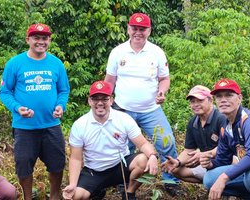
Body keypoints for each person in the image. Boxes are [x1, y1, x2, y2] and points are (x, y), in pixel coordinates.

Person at [104, 13, 185, 196]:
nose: (138, 32)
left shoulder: (156, 52)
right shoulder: (118, 52)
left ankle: (170, 181)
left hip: (151, 110)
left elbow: (164, 79)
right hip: (123, 109)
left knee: (167, 143)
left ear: (149, 30)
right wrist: (108, 99)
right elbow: (110, 80)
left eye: (142, 29)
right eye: (134, 28)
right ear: (128, 29)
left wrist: (162, 91)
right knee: (124, 149)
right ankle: (122, 184)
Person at [0, 23, 70, 200]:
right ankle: (28, 198)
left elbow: (63, 90)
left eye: (44, 38)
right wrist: (17, 108)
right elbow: (5, 92)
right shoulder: (15, 63)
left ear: (49, 40)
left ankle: (54, 197)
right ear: (28, 40)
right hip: (24, 127)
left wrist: (61, 106)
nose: (40, 42)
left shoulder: (56, 63)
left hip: (51, 125)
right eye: (36, 38)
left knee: (57, 164)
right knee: (23, 166)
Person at [62, 81, 158, 200]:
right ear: (89, 101)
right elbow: (75, 158)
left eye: (104, 99)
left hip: (121, 166)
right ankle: (97, 192)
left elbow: (143, 143)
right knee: (75, 196)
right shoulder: (80, 125)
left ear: (111, 101)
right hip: (94, 171)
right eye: (95, 99)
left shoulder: (124, 119)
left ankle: (129, 193)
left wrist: (153, 155)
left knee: (144, 159)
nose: (100, 103)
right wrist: (72, 184)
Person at [201, 79, 250, 200]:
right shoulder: (225, 126)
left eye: (229, 95)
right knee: (209, 178)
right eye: (219, 96)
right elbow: (223, 160)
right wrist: (210, 163)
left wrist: (224, 177)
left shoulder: (249, 121)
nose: (223, 100)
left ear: (239, 98)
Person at [161, 85, 228, 183]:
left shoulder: (221, 118)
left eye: (200, 101)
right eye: (192, 101)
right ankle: (210, 183)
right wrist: (177, 162)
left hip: (227, 162)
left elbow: (227, 147)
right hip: (206, 162)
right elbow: (188, 150)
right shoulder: (193, 122)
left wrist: (204, 155)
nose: (196, 104)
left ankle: (225, 187)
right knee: (177, 170)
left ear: (211, 101)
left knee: (213, 174)